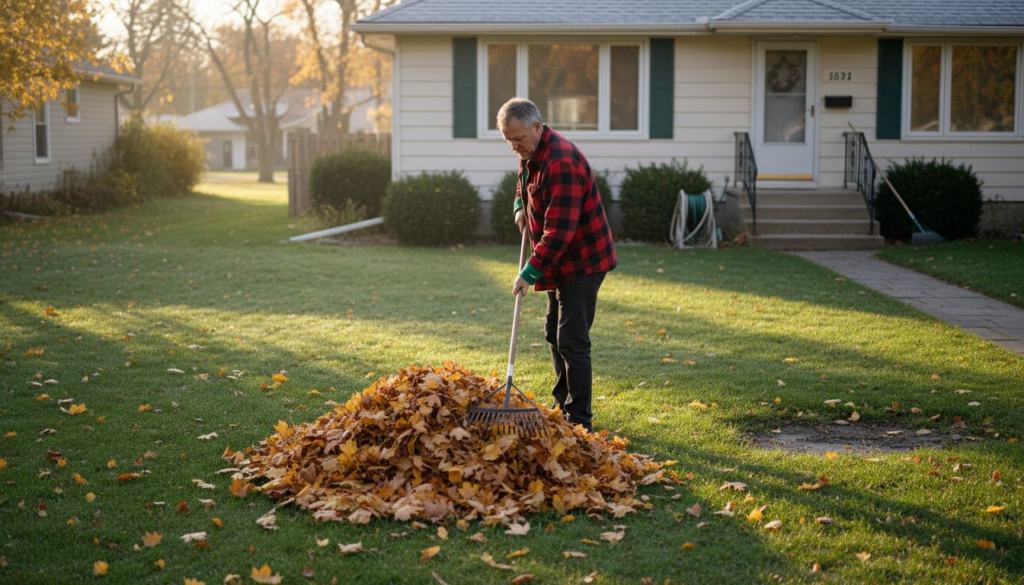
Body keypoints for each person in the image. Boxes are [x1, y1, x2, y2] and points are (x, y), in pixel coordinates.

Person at [497, 97, 617, 432]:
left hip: (582, 261)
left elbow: (559, 233)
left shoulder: (561, 162)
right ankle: (561, 405)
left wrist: (528, 273)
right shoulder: (532, 151)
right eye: (508, 140)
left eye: (518, 139)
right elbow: (523, 179)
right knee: (554, 332)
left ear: (537, 127)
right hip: (558, 261)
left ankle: (579, 420)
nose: (513, 147)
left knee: (572, 340)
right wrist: (520, 204)